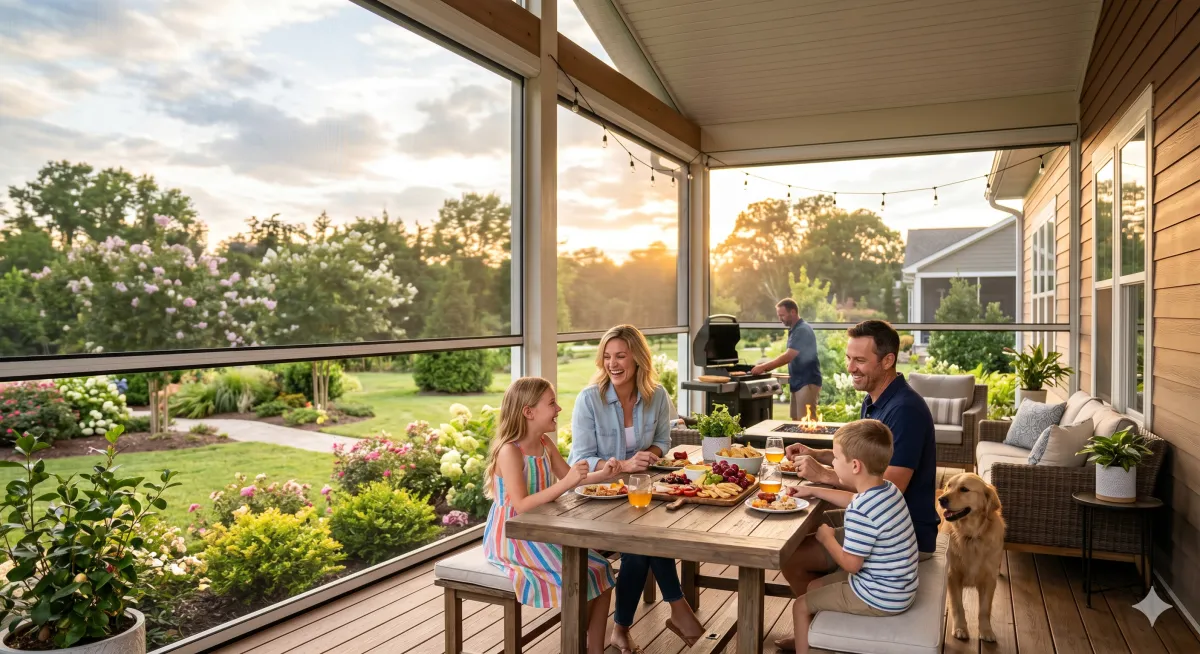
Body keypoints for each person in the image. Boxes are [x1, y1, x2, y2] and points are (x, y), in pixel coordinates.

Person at [569, 325, 706, 652]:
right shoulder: (589, 400)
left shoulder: (656, 395)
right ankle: (677, 609)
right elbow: (581, 459)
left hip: (641, 490)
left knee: (644, 541)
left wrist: (652, 455)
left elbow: (662, 441)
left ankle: (622, 629)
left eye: (620, 356)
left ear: (638, 358)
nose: (612, 364)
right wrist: (623, 465)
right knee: (642, 542)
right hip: (597, 496)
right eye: (606, 356)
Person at [780, 319, 938, 595]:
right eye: (849, 358)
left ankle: (819, 624)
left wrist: (823, 475)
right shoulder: (877, 398)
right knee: (800, 530)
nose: (850, 367)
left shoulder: (905, 411)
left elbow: (889, 488)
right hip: (880, 523)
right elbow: (863, 461)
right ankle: (822, 618)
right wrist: (817, 453)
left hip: (902, 536)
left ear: (888, 360)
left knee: (791, 555)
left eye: (860, 360)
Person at [483, 377, 619, 654]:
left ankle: (594, 649)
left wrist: (602, 475)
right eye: (551, 403)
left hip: (543, 530)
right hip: (514, 537)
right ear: (528, 412)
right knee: (580, 575)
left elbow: (569, 477)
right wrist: (566, 484)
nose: (558, 408)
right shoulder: (510, 451)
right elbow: (521, 505)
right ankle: (575, 641)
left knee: (602, 569)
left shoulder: (545, 443)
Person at [776, 419, 920, 652]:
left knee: (801, 605)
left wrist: (827, 538)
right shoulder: (886, 490)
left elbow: (852, 564)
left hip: (879, 596)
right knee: (813, 587)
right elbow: (855, 501)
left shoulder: (861, 512)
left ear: (855, 466)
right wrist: (813, 489)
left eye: (835, 458)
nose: (832, 463)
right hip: (898, 587)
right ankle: (824, 642)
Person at [749, 298, 822, 420]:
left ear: (793, 312)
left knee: (806, 423)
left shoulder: (802, 330)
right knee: (795, 421)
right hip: (798, 382)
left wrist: (763, 367)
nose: (780, 319)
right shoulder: (795, 330)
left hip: (807, 382)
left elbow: (788, 356)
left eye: (782, 315)